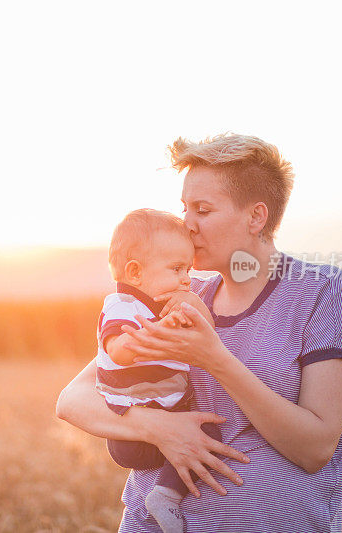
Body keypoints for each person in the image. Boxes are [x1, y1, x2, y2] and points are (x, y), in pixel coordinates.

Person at [56, 133, 342, 532]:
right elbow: (73, 399)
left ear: (256, 217)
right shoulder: (177, 297)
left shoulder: (323, 291)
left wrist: (214, 358)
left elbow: (316, 447)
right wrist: (158, 427)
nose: (187, 224)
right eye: (185, 208)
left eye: (203, 210)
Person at [96, 208, 221, 533]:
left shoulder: (162, 307)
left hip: (161, 410)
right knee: (204, 431)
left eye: (188, 269)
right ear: (135, 273)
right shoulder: (122, 306)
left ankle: (164, 493)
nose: (186, 279)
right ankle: (165, 496)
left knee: (207, 429)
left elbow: (212, 335)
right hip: (131, 429)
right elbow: (117, 349)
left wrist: (193, 306)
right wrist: (155, 332)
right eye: (177, 268)